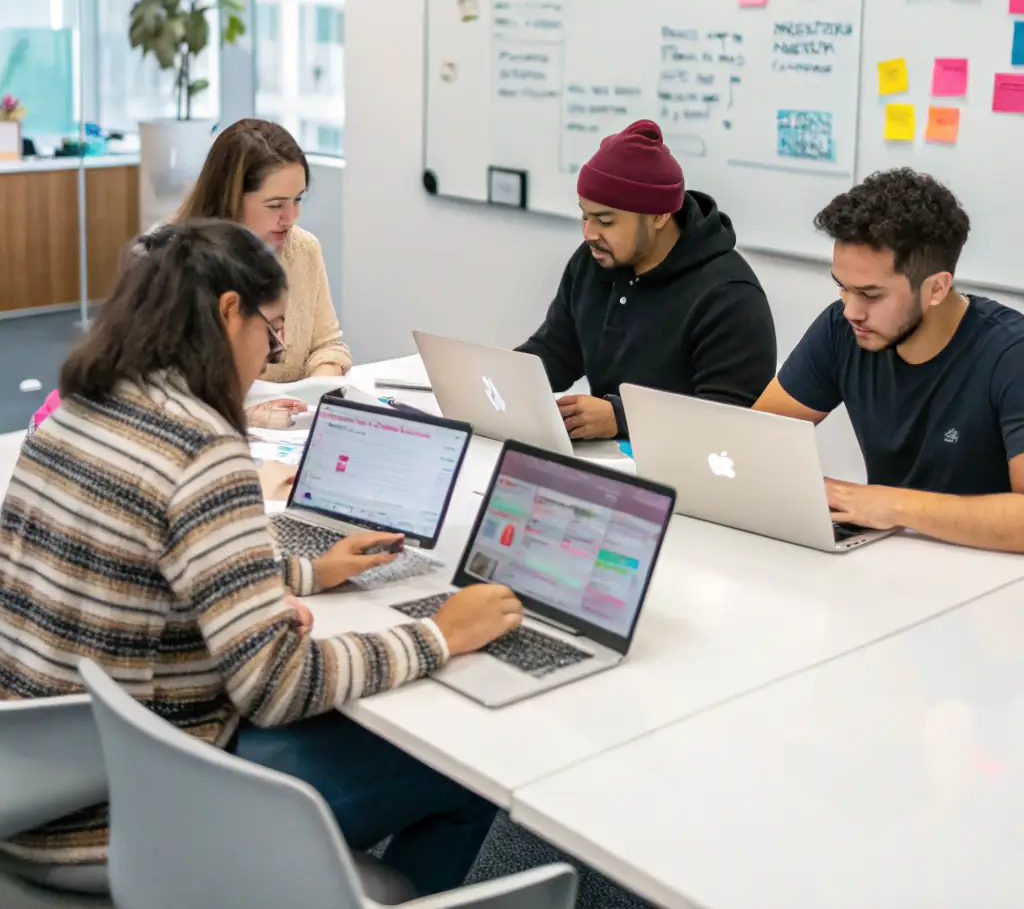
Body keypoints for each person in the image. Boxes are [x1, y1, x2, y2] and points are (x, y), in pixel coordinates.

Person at [0, 221, 521, 895]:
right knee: (463, 771)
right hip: (134, 813)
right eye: (271, 331)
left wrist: (307, 571)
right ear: (227, 311)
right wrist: (439, 633)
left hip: (37, 783)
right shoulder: (202, 449)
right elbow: (277, 687)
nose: (273, 355)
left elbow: (151, 570)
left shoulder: (82, 408)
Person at [754, 168, 1024, 552]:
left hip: (990, 580)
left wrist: (893, 504)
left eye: (871, 294)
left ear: (936, 288)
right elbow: (754, 438)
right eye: (842, 288)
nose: (851, 311)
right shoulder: (841, 328)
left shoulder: (1011, 354)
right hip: (886, 562)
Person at [518, 119, 777, 441]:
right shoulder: (593, 262)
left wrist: (622, 419)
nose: (589, 233)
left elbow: (730, 416)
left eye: (605, 221)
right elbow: (557, 352)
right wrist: (501, 379)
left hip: (687, 470)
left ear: (659, 216)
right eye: (585, 215)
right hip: (610, 461)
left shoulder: (729, 296)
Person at [178, 118, 350, 427]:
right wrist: (245, 417)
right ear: (231, 197)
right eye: (276, 205)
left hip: (290, 429)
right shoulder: (181, 262)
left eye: (298, 199)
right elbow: (166, 393)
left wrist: (313, 394)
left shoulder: (304, 250)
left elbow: (327, 344)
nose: (291, 217)